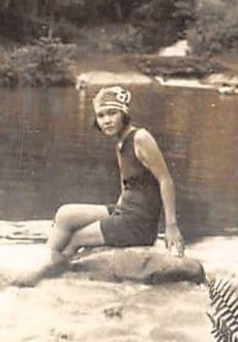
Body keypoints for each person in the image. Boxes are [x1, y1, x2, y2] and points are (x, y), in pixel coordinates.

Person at [17, 85, 184, 284]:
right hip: (125, 211)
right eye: (101, 115)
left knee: (76, 238)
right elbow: (126, 186)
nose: (106, 120)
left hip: (138, 223)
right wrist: (115, 213)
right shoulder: (120, 143)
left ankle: (43, 277)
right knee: (65, 214)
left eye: (112, 113)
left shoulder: (140, 138)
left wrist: (171, 226)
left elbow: (165, 180)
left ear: (124, 114)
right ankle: (44, 261)